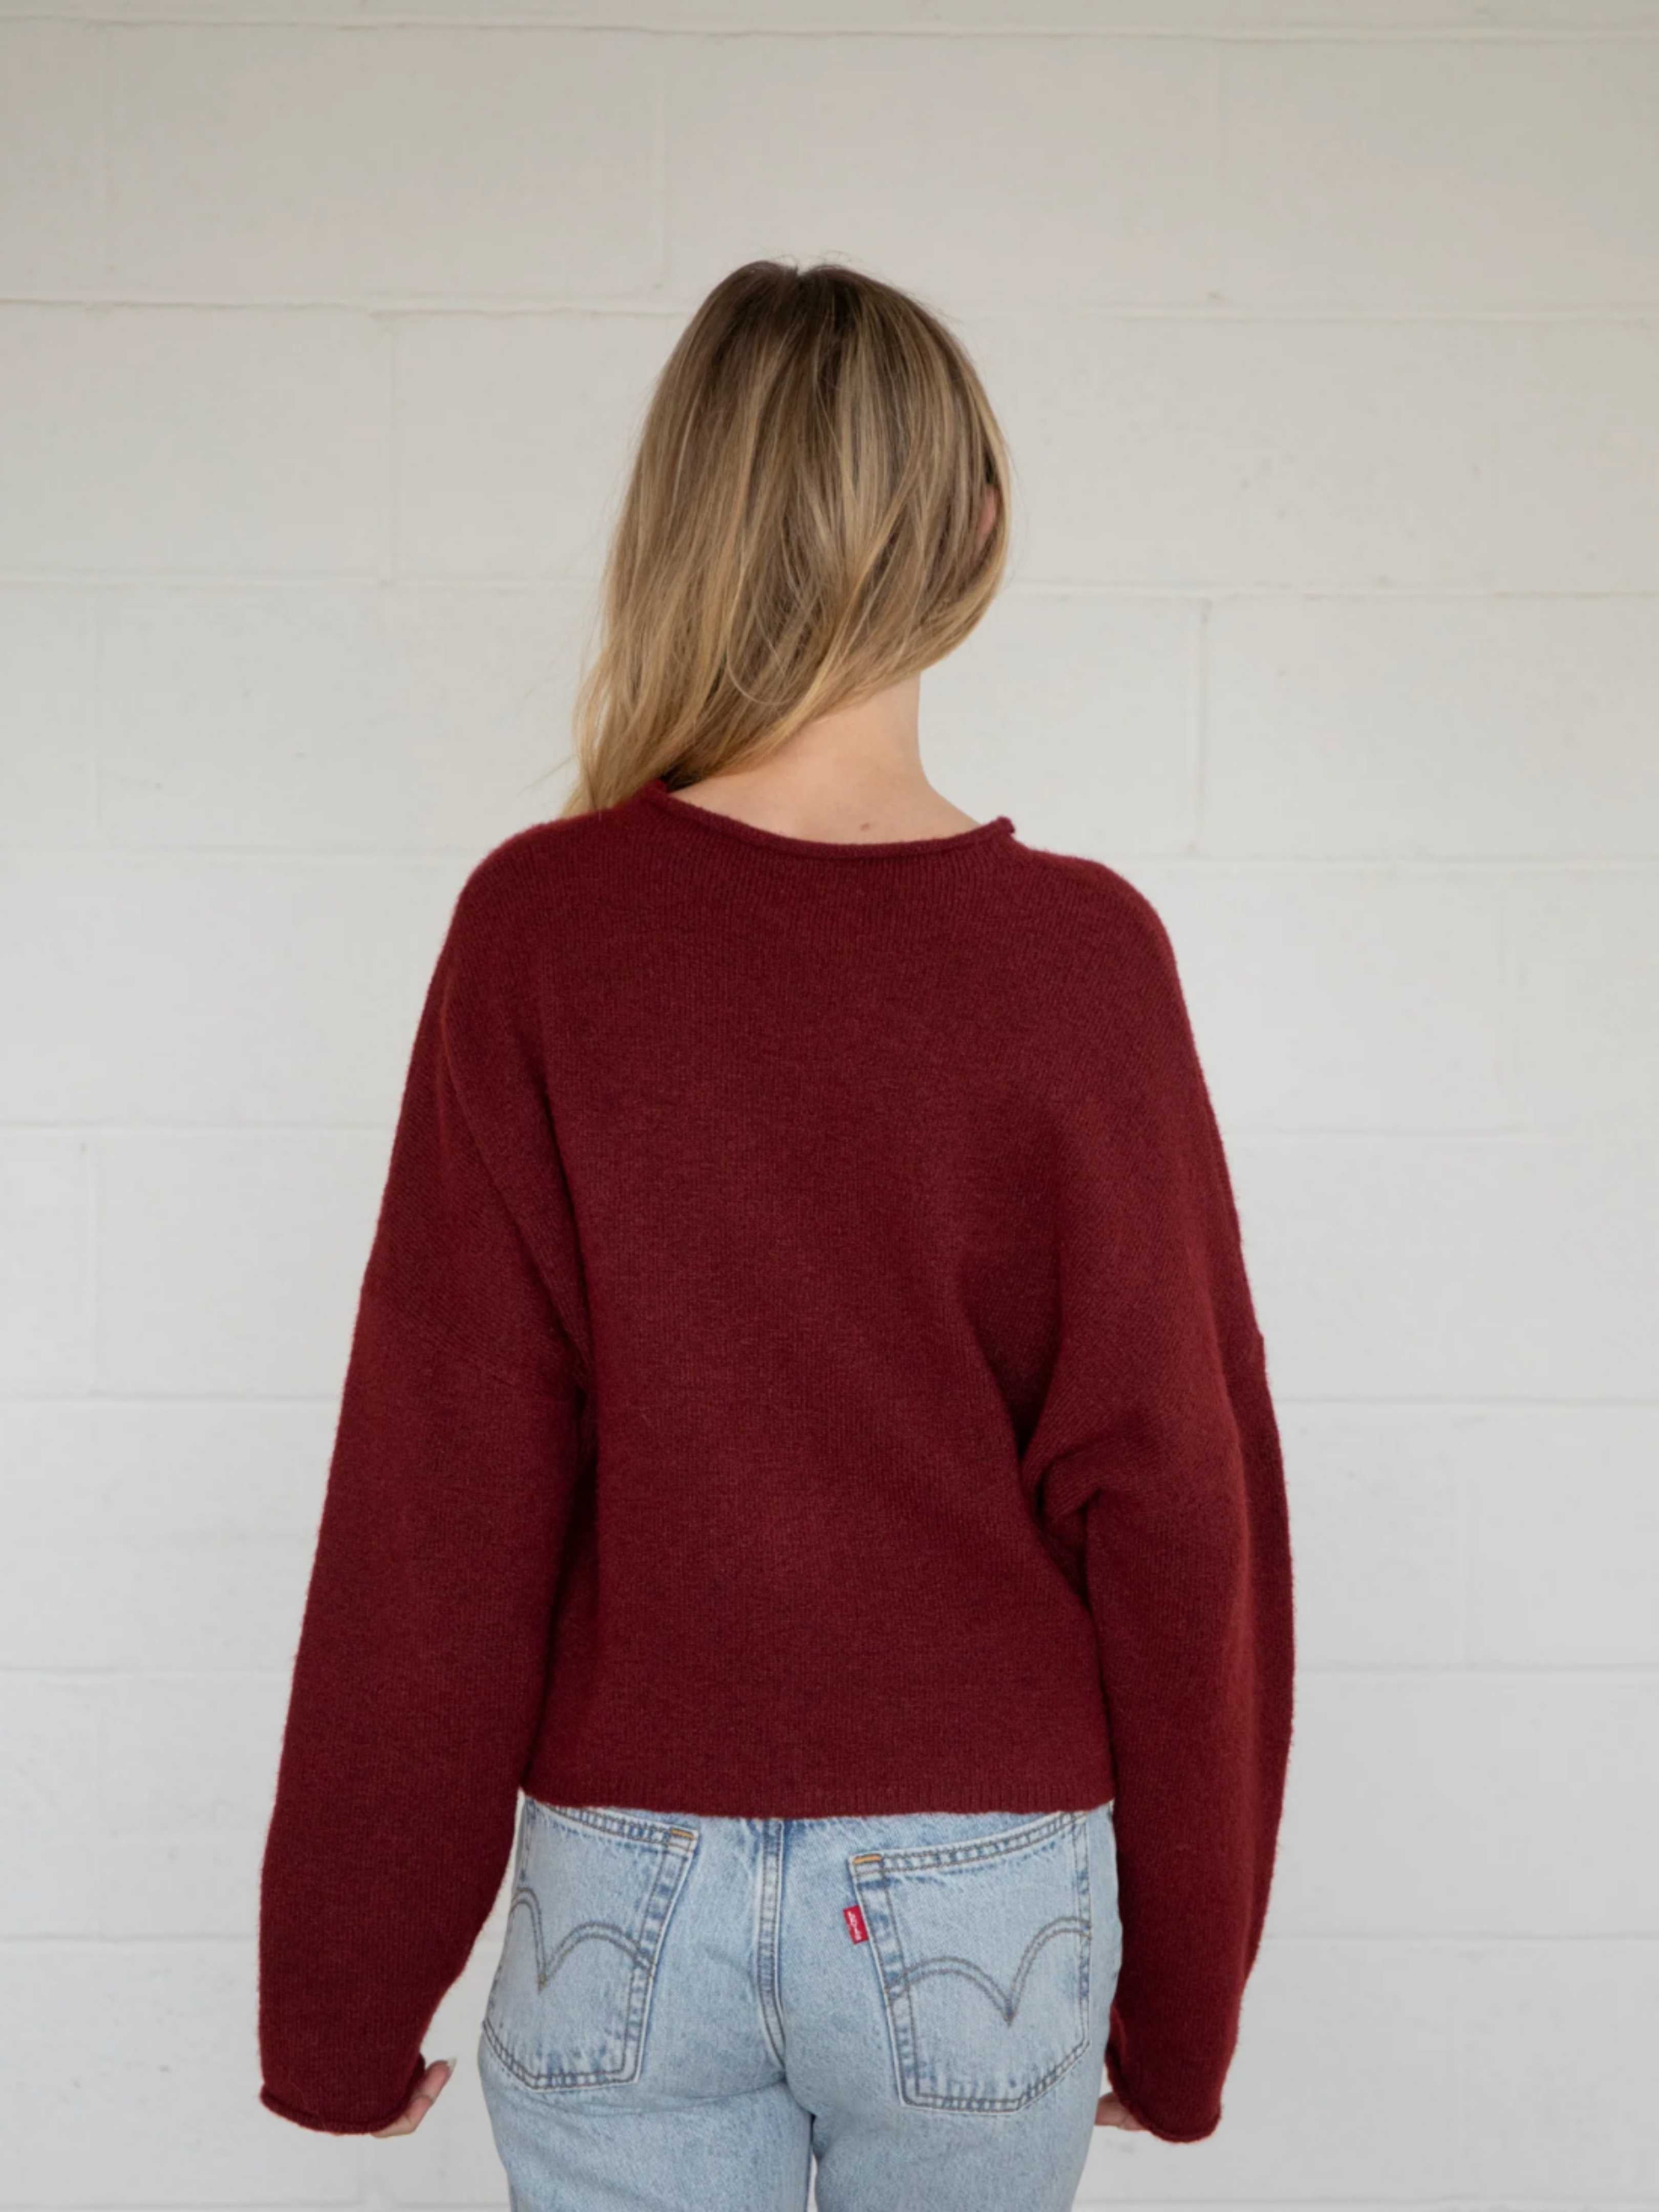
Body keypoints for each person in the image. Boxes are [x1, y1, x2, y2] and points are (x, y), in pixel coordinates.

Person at [257, 258, 1295, 2212]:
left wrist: (340, 1998)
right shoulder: (1085, 961)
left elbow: (442, 1492)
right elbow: (1177, 1503)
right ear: (977, 522)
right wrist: (1183, 2012)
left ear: (685, 520)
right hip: (985, 1895)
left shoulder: (542, 930)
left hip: (625, 1894)